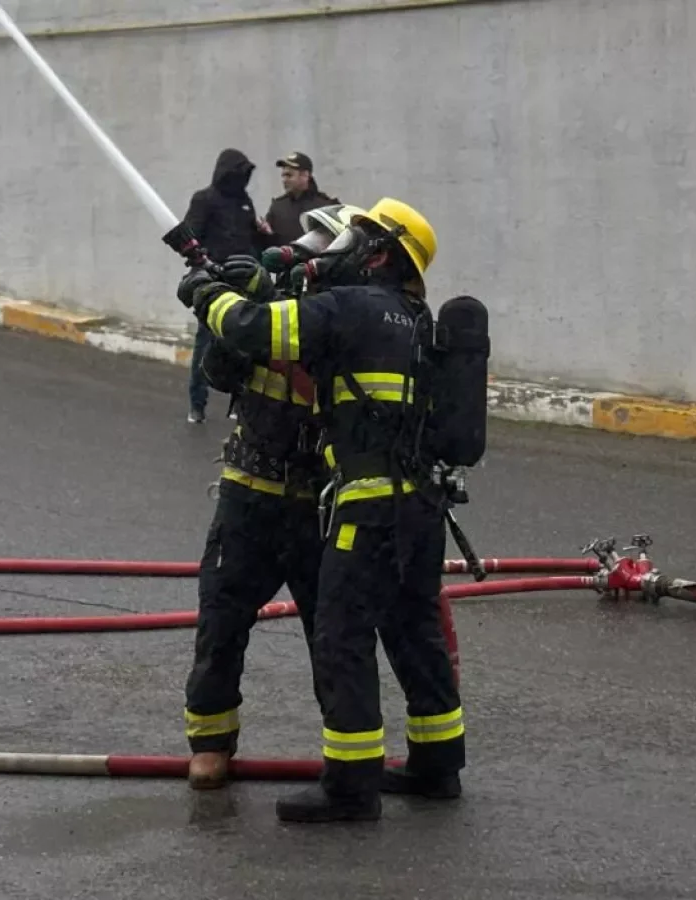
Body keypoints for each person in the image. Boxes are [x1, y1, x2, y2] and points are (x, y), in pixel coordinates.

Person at [177, 198, 468, 823]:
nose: (333, 254)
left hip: (361, 509)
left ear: (378, 253)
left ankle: (350, 788)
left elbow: (256, 329)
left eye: (354, 241)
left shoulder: (352, 309)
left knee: (340, 638)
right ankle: (438, 766)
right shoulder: (414, 317)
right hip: (419, 507)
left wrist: (207, 292)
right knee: (414, 632)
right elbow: (236, 358)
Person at [181, 203, 368, 791]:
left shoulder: (349, 322)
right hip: (248, 498)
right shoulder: (270, 312)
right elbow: (221, 372)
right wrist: (228, 308)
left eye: (312, 250)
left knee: (333, 637)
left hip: (320, 508)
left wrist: (261, 310)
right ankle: (211, 742)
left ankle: (347, 758)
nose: (297, 259)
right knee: (220, 621)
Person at [179, 148, 275, 423]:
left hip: (245, 281)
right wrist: (204, 262)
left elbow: (250, 239)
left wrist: (264, 237)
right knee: (206, 340)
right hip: (214, 281)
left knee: (245, 342)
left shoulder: (244, 202)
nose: (242, 178)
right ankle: (197, 404)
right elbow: (190, 236)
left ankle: (238, 402)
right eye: (239, 172)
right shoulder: (204, 199)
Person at [263, 152, 340, 245]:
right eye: (283, 175)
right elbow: (268, 245)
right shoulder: (278, 207)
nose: (284, 180)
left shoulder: (326, 206)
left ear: (305, 176)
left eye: (289, 175)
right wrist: (265, 233)